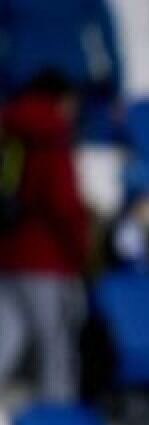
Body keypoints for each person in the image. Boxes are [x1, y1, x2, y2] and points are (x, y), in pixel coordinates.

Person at [0, 71, 88, 402]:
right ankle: (60, 421)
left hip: (6, 253)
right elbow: (63, 204)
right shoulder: (52, 135)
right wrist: (80, 251)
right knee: (54, 345)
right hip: (46, 260)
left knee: (7, 334)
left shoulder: (8, 130)